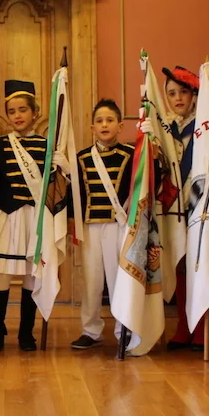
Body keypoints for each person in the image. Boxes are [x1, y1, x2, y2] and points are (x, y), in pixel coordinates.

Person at [0, 80, 70, 352]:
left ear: (35, 113)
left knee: (32, 275)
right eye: (12, 111)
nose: (17, 116)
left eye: (22, 110)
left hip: (37, 220)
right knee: (2, 277)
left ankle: (26, 334)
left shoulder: (48, 147)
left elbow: (55, 189)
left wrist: (64, 169)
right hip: (7, 218)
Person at [71, 99, 137, 351]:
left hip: (118, 226)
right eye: (99, 121)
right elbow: (77, 195)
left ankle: (123, 330)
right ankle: (91, 330)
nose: (104, 125)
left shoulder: (131, 155)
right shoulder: (82, 158)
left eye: (110, 120)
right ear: (92, 127)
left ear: (120, 125)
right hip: (90, 226)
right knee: (91, 281)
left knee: (118, 279)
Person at [153, 65, 209, 351]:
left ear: (194, 95)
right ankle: (183, 325)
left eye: (183, 92)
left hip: (199, 202)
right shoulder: (165, 128)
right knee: (180, 267)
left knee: (199, 267)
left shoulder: (207, 126)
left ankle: (200, 328)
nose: (177, 98)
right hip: (174, 205)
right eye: (172, 93)